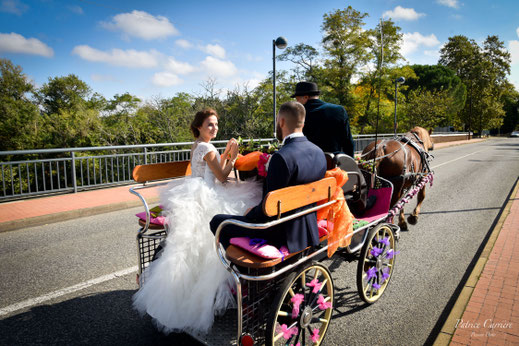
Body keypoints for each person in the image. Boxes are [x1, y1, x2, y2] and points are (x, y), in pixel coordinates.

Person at [132, 108, 262, 334]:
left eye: (216, 124)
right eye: (210, 125)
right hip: (207, 193)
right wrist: (233, 155)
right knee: (229, 224)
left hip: (197, 189)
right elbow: (222, 177)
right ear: (199, 127)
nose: (215, 128)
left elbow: (210, 170)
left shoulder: (198, 145)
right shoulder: (207, 146)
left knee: (193, 248)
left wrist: (226, 155)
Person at [210, 101, 327, 253]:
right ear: (303, 123)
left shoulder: (282, 157)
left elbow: (268, 210)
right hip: (307, 228)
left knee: (218, 222)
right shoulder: (319, 152)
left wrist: (250, 213)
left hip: (280, 232)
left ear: (282, 121)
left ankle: (243, 268)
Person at [291, 81, 355, 157]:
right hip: (334, 162)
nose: (297, 102)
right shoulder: (339, 110)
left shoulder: (299, 114)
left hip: (310, 161)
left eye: (297, 99)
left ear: (305, 97)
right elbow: (348, 142)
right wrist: (350, 162)